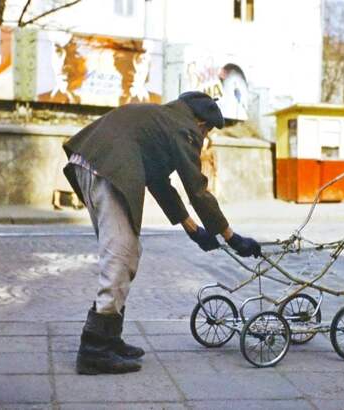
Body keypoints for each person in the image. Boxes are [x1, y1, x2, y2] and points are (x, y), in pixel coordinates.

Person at [62, 91, 261, 375]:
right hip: (107, 167)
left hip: (95, 162)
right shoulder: (184, 128)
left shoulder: (163, 120)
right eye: (207, 132)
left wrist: (192, 229)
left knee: (128, 252)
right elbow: (197, 189)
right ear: (202, 124)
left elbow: (158, 181)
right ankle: (94, 350)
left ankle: (109, 339)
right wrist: (231, 236)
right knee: (120, 254)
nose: (204, 139)